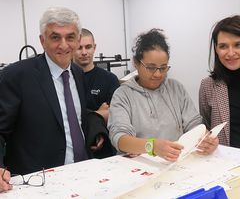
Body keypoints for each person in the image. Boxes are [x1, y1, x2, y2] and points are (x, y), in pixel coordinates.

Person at [0, 7, 113, 193]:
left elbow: (71, 117)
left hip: (83, 174)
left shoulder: (77, 73)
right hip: (39, 182)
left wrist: (95, 129)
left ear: (78, 40)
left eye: (70, 37)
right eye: (55, 37)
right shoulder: (16, 76)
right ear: (42, 41)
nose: (63, 45)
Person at [108, 28, 218, 161]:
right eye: (151, 67)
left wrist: (207, 138)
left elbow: (194, 125)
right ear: (136, 63)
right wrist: (152, 147)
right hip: (141, 165)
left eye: (163, 67)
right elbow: (120, 139)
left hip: (176, 161)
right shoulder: (123, 94)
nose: (158, 74)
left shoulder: (176, 88)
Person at [199, 15, 240, 148]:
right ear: (216, 49)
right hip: (224, 164)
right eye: (223, 46)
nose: (231, 53)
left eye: (237, 45)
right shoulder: (207, 86)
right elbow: (206, 128)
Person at [73, 28, 120, 122]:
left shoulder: (110, 80)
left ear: (94, 48)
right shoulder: (65, 79)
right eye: (79, 48)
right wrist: (97, 114)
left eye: (88, 47)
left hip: (100, 135)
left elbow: (115, 115)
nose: (84, 52)